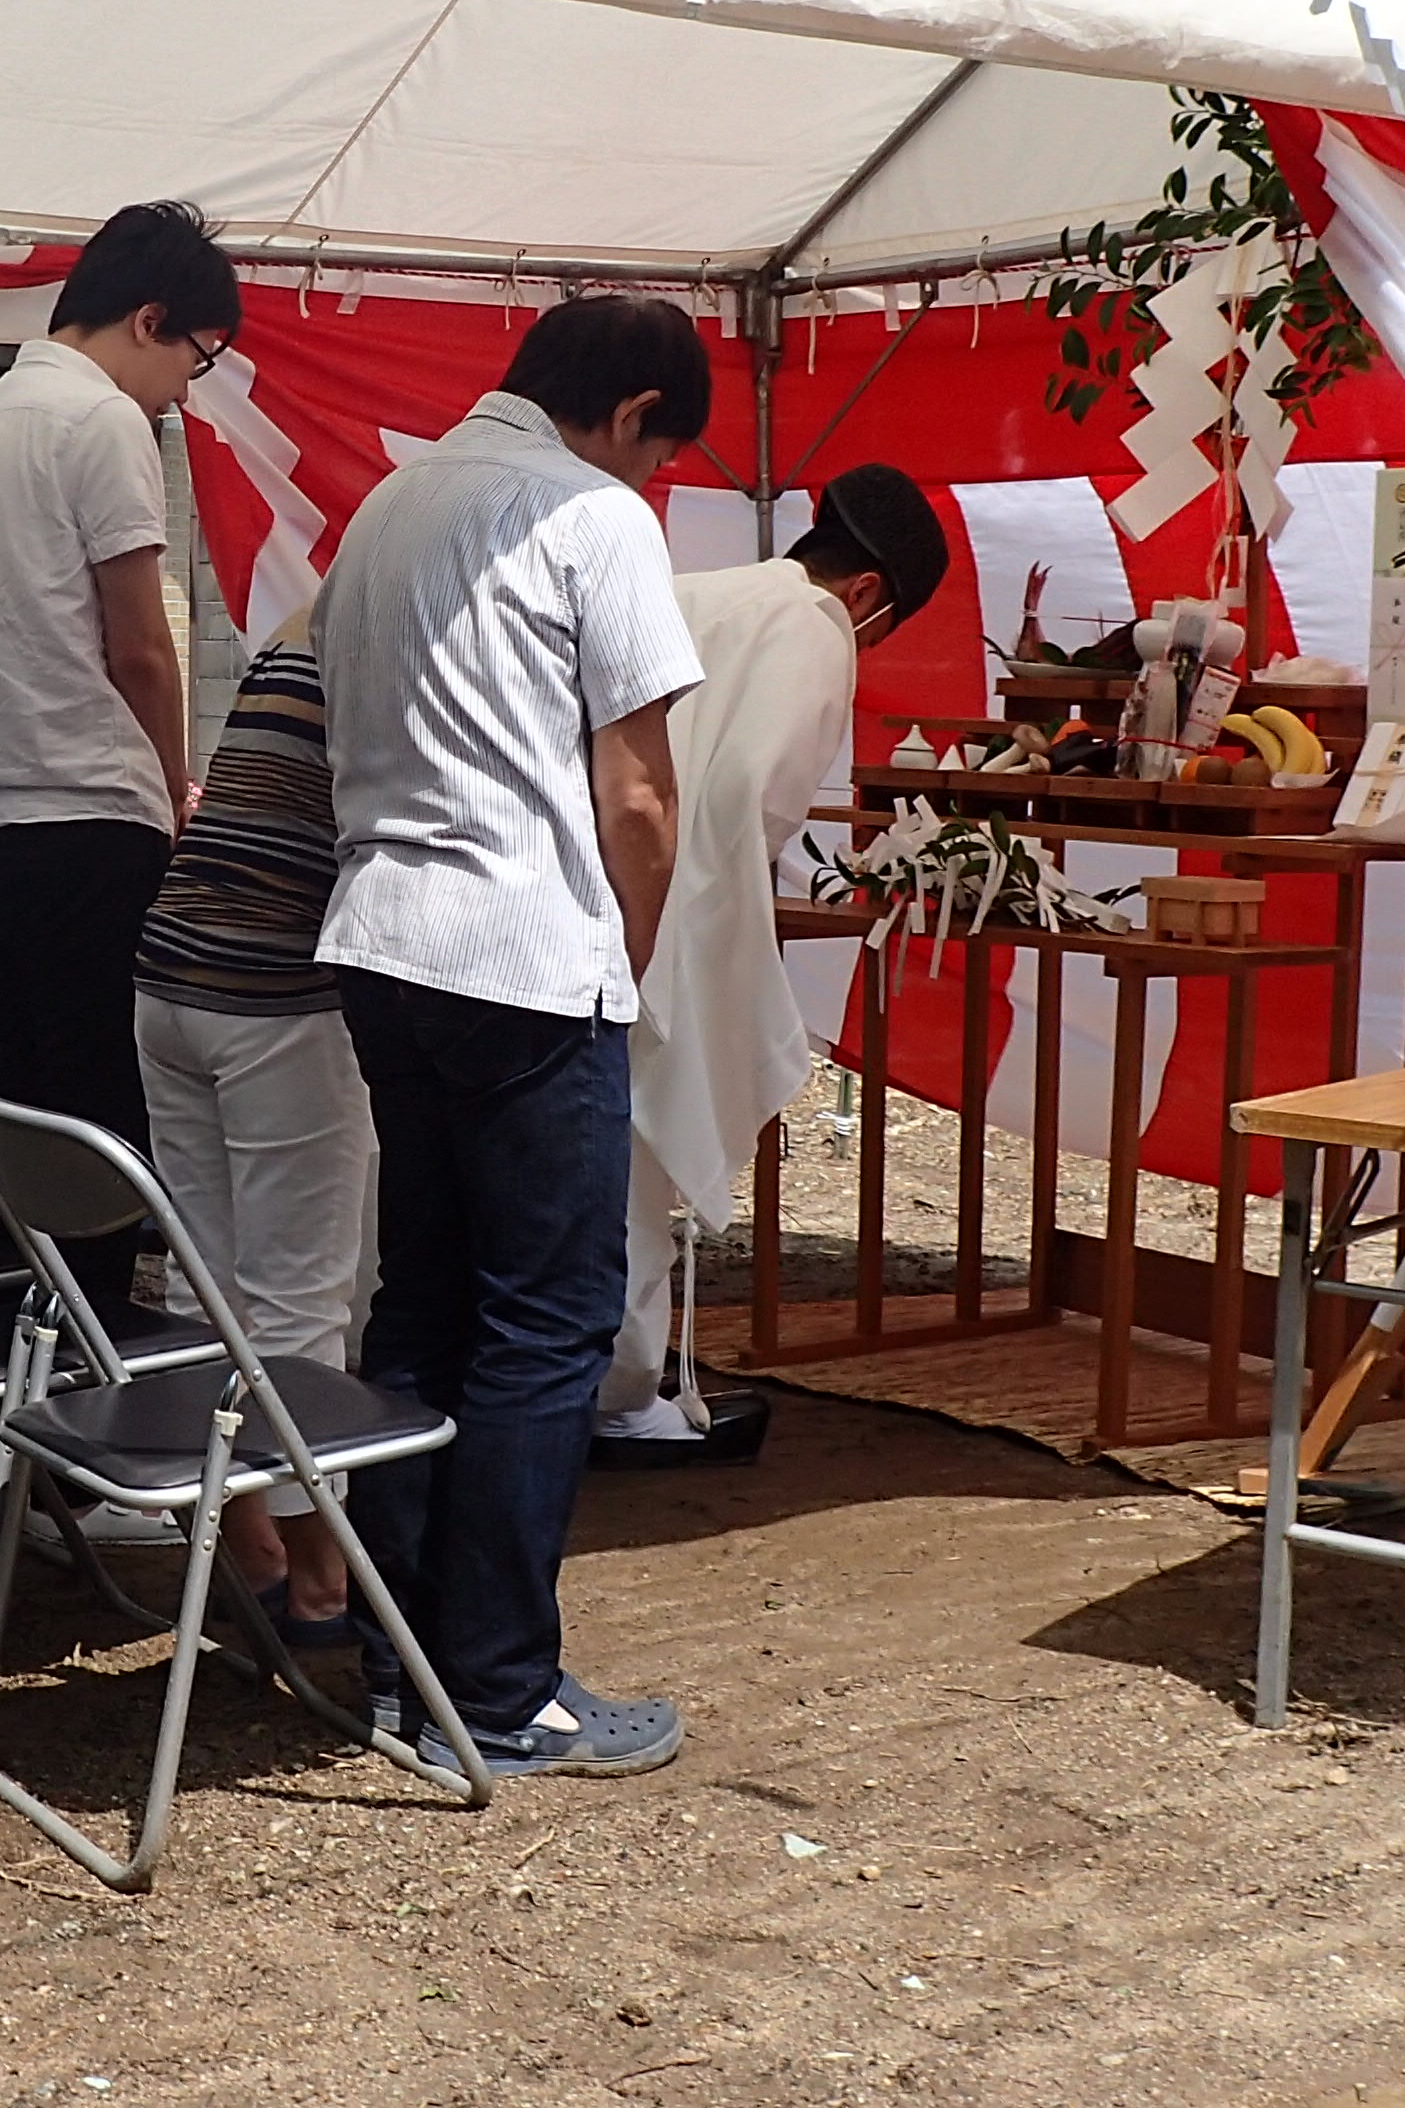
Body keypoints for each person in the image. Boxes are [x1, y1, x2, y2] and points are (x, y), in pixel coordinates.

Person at [314, 292, 711, 1780]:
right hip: (527, 956)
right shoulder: (593, 513)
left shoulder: (390, 503)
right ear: (623, 419)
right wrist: (632, 954)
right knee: (545, 1324)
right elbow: (643, 797)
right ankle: (494, 1685)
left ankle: (397, 1660)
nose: (657, 479)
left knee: (421, 1304)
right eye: (661, 451)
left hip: (384, 939)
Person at [600, 465, 955, 1461]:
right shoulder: (812, 625)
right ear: (866, 595)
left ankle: (610, 1380)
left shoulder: (700, 588)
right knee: (637, 1173)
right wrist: (737, 893)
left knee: (599, 1160)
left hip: (591, 892)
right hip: (674, 910)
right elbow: (755, 786)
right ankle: (624, 1396)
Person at [0, 199, 238, 1299]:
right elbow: (142, 644)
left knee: (7, 1130)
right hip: (86, 825)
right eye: (197, 359)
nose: (187, 392)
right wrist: (177, 783)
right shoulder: (102, 423)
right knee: (98, 1136)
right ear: (152, 320)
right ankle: (88, 1409)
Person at [129, 616, 367, 1632]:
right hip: (276, 985)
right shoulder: (391, 642)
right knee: (300, 1296)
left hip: (173, 964)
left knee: (208, 1282)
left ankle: (245, 1538)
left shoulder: (293, 633)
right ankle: (324, 1581)